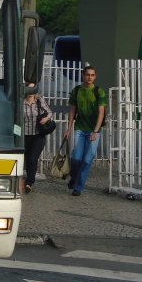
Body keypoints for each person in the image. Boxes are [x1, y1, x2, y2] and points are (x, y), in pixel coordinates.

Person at [64, 65, 106, 196]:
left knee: (87, 160)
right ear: (83, 75)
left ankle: (78, 187)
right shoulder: (76, 91)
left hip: (94, 130)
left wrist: (95, 131)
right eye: (88, 75)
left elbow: (101, 113)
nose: (90, 77)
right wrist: (69, 128)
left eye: (92, 75)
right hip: (80, 128)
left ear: (95, 77)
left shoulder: (99, 92)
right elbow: (72, 110)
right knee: (76, 157)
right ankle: (74, 178)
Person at [23, 83, 53, 193]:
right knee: (27, 158)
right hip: (25, 135)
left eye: (33, 88)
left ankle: (29, 182)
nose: (31, 90)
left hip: (38, 135)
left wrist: (45, 119)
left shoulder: (39, 99)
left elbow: (49, 112)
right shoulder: (21, 101)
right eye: (29, 87)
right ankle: (27, 177)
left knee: (33, 158)